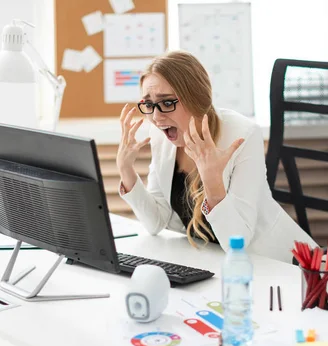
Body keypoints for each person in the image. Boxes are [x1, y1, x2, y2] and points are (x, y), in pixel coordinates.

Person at [116, 50, 315, 262]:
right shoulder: (160, 135)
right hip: (211, 260)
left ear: (196, 99)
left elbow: (236, 241)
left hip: (273, 264)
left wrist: (212, 181)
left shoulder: (242, 135)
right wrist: (126, 170)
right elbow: (156, 222)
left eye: (167, 103)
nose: (156, 117)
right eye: (148, 105)